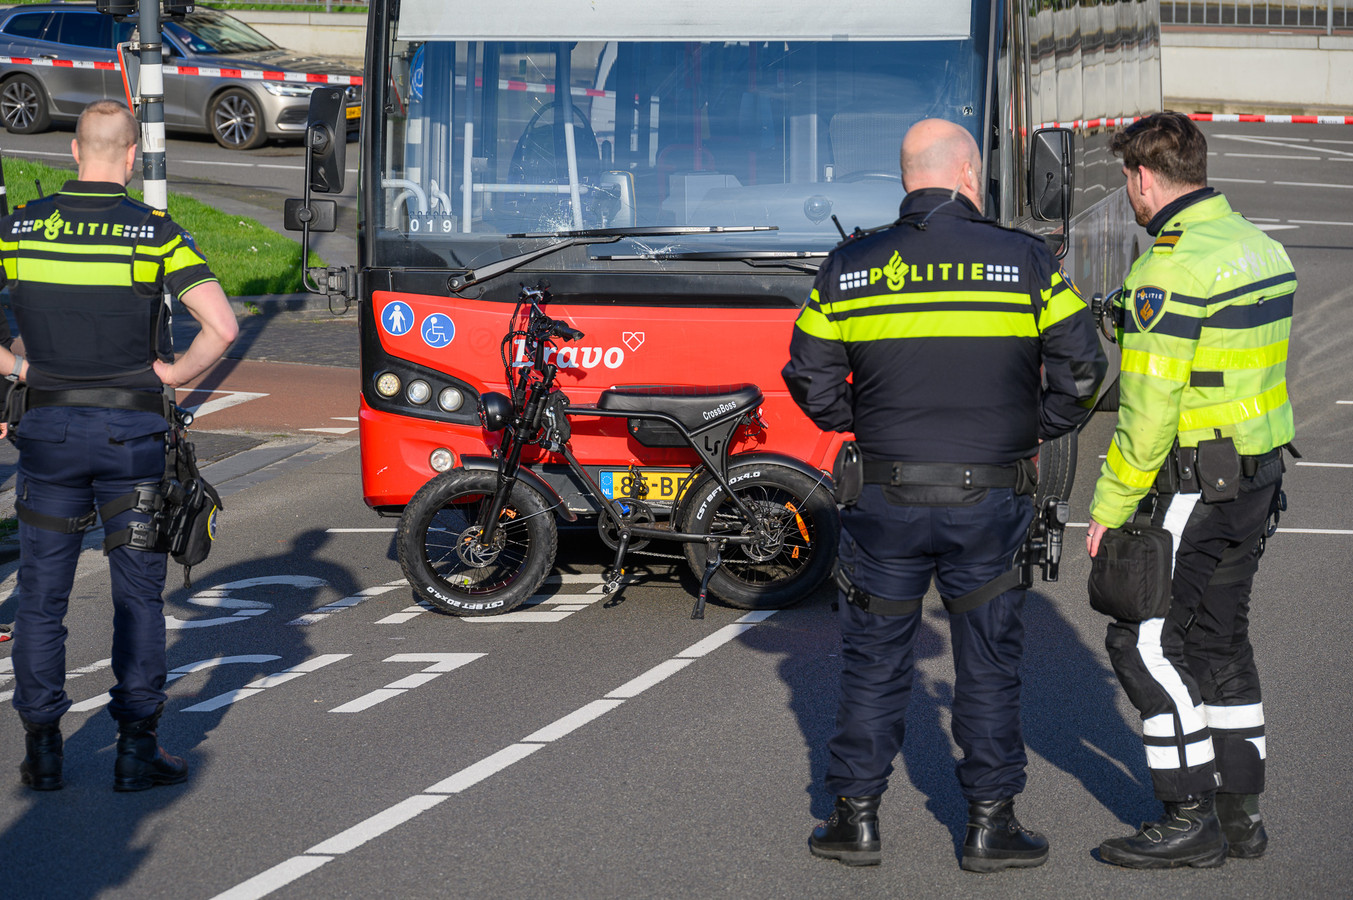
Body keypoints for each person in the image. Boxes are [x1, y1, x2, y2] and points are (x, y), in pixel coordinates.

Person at [784, 118, 1106, 870]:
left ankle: (853, 820)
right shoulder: (1023, 259)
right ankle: (990, 826)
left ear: (907, 178)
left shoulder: (849, 265)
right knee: (988, 662)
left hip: (886, 498)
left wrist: (861, 425)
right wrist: (1029, 431)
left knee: (873, 659)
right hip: (988, 498)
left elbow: (807, 374)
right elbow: (1084, 372)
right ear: (968, 173)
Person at [2, 100, 238, 792]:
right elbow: (220, 326)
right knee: (138, 596)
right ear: (132, 157)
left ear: (74, 152)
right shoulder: (152, 233)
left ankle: (42, 748)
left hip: (46, 433)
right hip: (132, 436)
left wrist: (18, 369)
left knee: (41, 597)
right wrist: (169, 375)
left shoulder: (20, 229)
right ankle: (137, 748)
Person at [1086, 112, 1294, 868]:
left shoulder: (1166, 269)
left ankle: (1186, 817)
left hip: (1191, 483)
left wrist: (1107, 508)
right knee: (1217, 640)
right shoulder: (1255, 246)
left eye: (1127, 185)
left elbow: (1146, 413)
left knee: (1139, 642)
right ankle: (1241, 818)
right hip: (1256, 474)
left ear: (1142, 179)